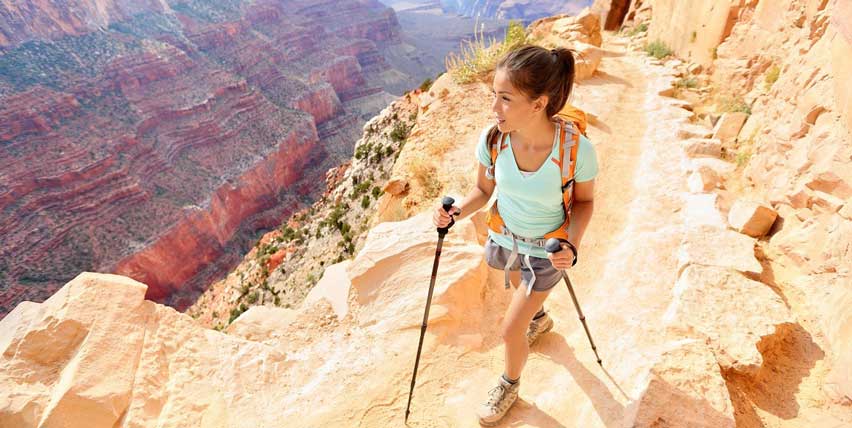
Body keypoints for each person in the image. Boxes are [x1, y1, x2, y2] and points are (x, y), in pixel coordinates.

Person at [432, 44, 598, 426]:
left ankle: (509, 382)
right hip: (505, 241)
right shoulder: (494, 140)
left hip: (548, 252)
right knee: (521, 296)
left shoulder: (577, 151)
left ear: (539, 103)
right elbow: (483, 190)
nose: (494, 108)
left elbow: (586, 203)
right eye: (494, 96)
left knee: (509, 331)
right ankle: (539, 317)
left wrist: (572, 244)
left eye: (505, 99)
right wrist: (455, 212)